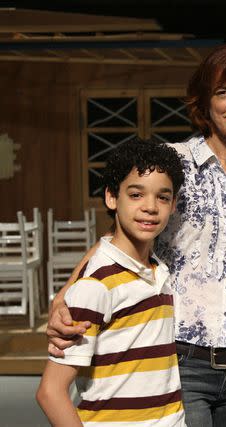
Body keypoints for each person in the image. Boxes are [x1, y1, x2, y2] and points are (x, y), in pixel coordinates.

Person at [46, 44, 226, 426]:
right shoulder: (173, 163)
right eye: (223, 92)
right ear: (204, 101)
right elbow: (117, 236)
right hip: (182, 361)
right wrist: (63, 300)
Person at [36, 139, 186, 426]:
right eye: (136, 195)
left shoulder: (160, 273)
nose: (150, 207)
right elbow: (50, 392)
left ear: (173, 204)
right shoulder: (95, 285)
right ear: (111, 198)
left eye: (163, 197)